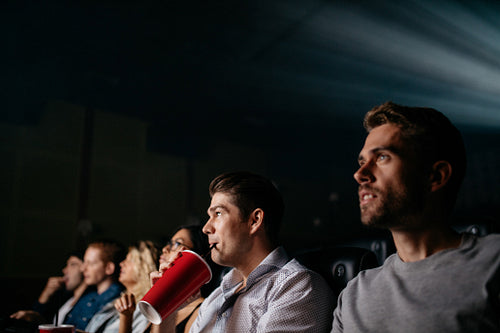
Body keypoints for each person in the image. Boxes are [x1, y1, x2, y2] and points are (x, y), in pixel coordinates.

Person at [331, 101, 500, 332]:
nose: (360, 174)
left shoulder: (494, 262)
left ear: (436, 177)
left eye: (382, 157)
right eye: (362, 162)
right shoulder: (354, 294)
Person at [160, 171, 335, 332]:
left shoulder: (295, 286)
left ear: (254, 221)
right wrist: (166, 305)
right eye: (209, 216)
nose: (206, 228)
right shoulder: (218, 295)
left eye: (218, 213)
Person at [150, 225, 221, 333]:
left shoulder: (203, 311)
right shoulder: (160, 305)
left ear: (199, 257)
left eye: (177, 244)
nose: (165, 249)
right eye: (170, 243)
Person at [84, 241, 159, 333]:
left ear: (143, 267)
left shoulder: (145, 309)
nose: (121, 264)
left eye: (129, 260)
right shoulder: (116, 301)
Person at [10, 253, 88, 325]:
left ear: (85, 268)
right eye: (67, 265)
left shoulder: (90, 301)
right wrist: (46, 293)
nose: (65, 270)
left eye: (73, 264)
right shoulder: (65, 297)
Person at [64, 240, 126, 330]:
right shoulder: (87, 297)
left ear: (109, 268)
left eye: (91, 263)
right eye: (84, 262)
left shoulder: (117, 301)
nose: (83, 268)